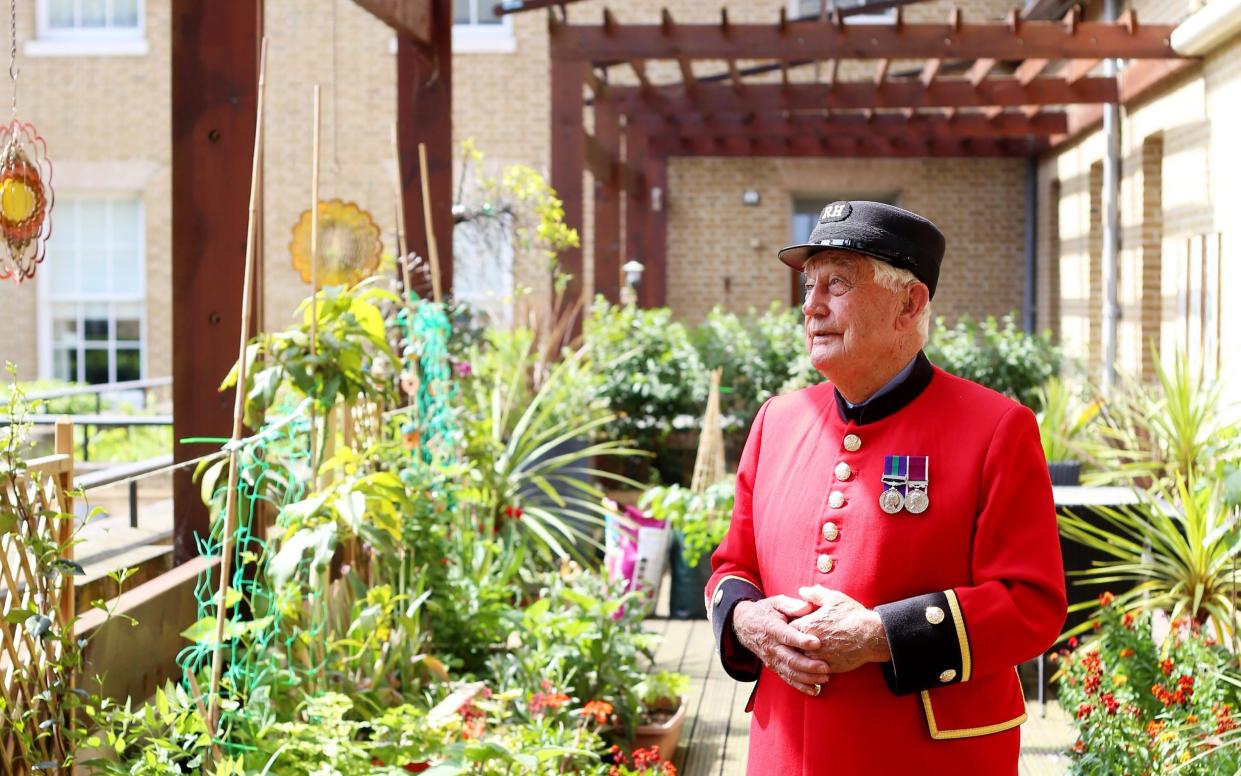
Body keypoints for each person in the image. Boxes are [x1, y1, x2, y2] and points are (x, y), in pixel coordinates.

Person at [704, 200, 1066, 773]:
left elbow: (1031, 604)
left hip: (923, 756)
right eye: (808, 286)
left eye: (838, 284)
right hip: (784, 752)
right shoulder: (777, 420)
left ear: (910, 303)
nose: (811, 306)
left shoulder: (996, 427)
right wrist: (747, 622)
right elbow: (732, 569)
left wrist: (880, 635)